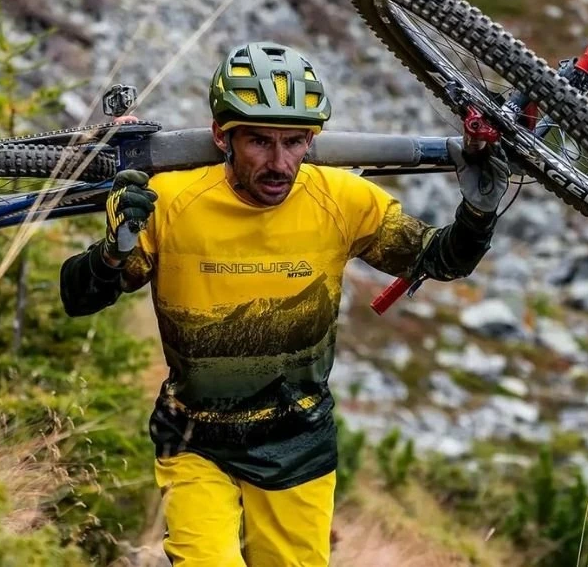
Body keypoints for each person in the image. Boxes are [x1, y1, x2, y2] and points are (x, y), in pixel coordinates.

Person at [59, 41, 509, 567]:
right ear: (221, 136)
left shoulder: (343, 199)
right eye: (259, 141)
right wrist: (113, 253)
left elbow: (438, 259)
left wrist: (478, 214)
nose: (279, 163)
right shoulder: (171, 202)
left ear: (312, 139)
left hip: (298, 445)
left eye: (294, 142)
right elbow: (78, 297)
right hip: (195, 440)